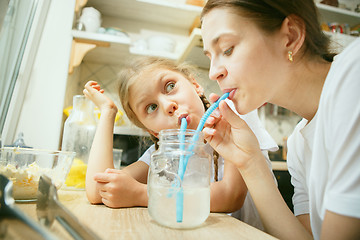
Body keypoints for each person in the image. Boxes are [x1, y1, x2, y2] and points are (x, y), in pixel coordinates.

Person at [200, 0, 360, 239]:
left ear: (291, 37)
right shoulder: (298, 144)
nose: (213, 72)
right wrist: (249, 161)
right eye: (209, 56)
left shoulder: (354, 75)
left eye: (227, 49)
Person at [83, 56, 278, 230]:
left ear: (195, 85)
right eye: (151, 107)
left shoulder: (235, 118)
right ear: (153, 131)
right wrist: (107, 113)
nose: (169, 106)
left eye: (170, 86)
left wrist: (141, 194)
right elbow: (97, 191)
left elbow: (230, 196)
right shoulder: (160, 153)